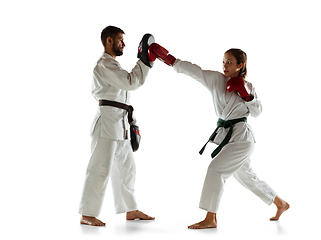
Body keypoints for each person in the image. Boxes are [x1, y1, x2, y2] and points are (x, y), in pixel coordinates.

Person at [148, 44, 289, 229]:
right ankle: (281, 203)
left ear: (240, 65)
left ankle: (211, 218)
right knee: (247, 177)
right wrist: (170, 60)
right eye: (223, 62)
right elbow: (195, 71)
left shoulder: (249, 86)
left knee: (215, 170)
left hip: (242, 138)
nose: (225, 66)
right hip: (227, 138)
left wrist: (247, 96)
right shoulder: (216, 79)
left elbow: (258, 112)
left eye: (229, 62)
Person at [79, 26, 155, 226]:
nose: (124, 44)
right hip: (107, 123)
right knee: (99, 169)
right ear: (109, 41)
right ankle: (87, 214)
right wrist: (144, 61)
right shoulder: (104, 64)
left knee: (127, 168)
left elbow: (125, 89)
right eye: (121, 40)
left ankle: (131, 209)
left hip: (120, 122)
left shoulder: (113, 64)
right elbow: (131, 82)